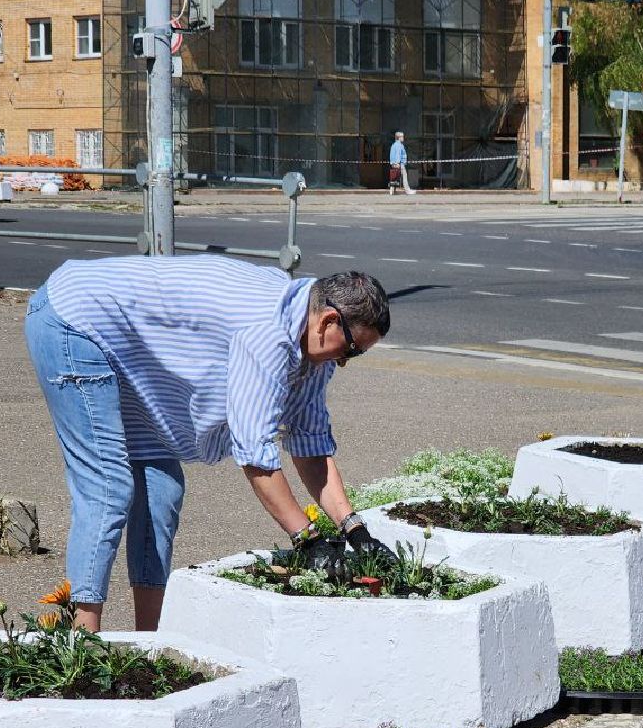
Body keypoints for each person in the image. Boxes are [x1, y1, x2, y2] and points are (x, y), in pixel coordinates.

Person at [26, 255, 397, 631]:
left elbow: (311, 445)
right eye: (351, 349)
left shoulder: (313, 348)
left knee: (161, 491)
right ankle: (80, 647)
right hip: (76, 320)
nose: (347, 361)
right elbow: (255, 454)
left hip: (131, 352)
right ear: (329, 321)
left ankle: (149, 640)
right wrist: (307, 538)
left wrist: (355, 530)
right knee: (108, 488)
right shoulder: (265, 332)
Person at [388, 131, 415, 195]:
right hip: (400, 164)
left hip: (395, 163)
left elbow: (392, 155)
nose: (403, 138)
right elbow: (398, 154)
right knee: (404, 177)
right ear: (398, 138)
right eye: (402, 136)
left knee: (395, 177)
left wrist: (393, 163)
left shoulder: (394, 144)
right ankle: (408, 191)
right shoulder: (398, 145)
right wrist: (397, 163)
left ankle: (392, 190)